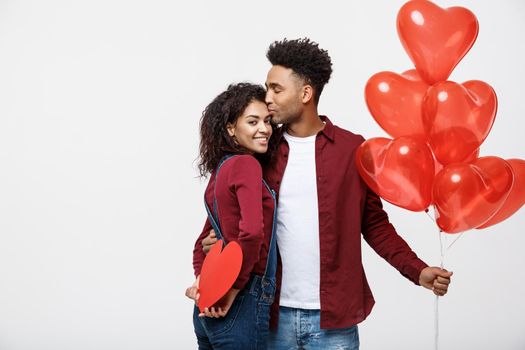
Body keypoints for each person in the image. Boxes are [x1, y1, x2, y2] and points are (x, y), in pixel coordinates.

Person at [200, 38, 453, 349]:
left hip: (333, 321)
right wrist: (214, 244)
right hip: (269, 314)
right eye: (267, 88)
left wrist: (418, 270)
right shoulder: (259, 154)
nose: (267, 99)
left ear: (306, 93)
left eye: (276, 89)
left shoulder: (352, 150)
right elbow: (226, 211)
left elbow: (374, 224)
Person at [186, 82, 280, 349]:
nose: (264, 129)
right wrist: (232, 290)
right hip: (240, 303)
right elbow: (251, 233)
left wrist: (202, 282)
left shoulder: (221, 170)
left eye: (267, 121)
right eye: (253, 122)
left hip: (205, 309)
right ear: (230, 128)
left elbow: (201, 244)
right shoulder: (246, 164)